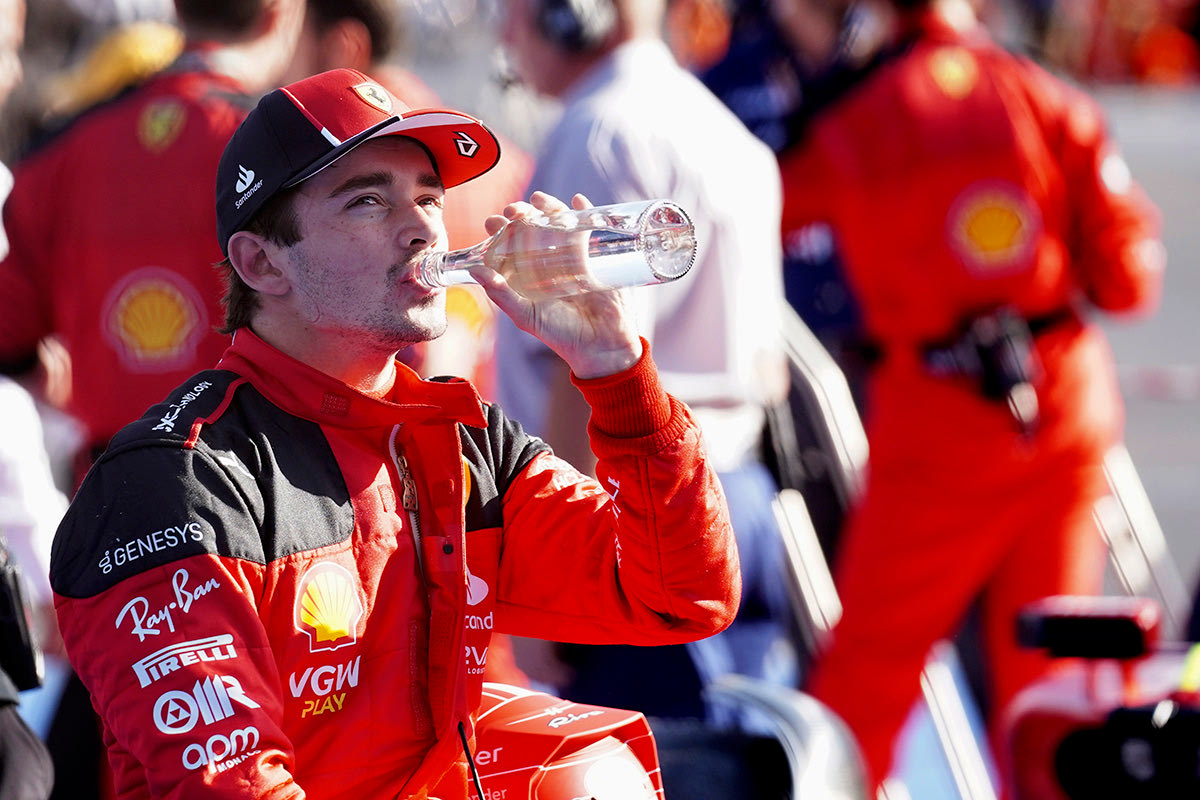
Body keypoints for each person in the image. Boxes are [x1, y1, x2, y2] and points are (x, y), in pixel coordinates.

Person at [48, 67, 741, 799]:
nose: (422, 230)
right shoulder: (177, 480)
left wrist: (615, 371)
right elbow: (231, 787)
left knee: (588, 775)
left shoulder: (458, 440)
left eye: (429, 198)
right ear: (261, 262)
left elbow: (683, 593)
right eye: (368, 201)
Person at [771, 0, 1165, 793]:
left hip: (938, 423)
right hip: (1063, 404)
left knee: (867, 675)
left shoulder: (854, 114)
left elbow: (767, 215)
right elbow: (1128, 280)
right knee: (1051, 677)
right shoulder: (1045, 93)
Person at [495, 0, 796, 721]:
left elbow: (590, 358)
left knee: (656, 760)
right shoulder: (718, 123)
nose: (506, 31)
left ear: (576, 13)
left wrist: (553, 574)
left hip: (643, 509)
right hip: (733, 490)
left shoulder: (602, 131)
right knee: (740, 754)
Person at [0, 0, 304, 486]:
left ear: (178, 9)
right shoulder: (294, 155)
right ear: (282, 13)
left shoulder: (59, 150)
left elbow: (9, 330)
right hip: (262, 480)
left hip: (107, 484)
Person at [279, 0, 537, 400]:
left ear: (342, 48)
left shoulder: (329, 169)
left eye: (283, 36)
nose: (269, 57)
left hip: (424, 422)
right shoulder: (502, 159)